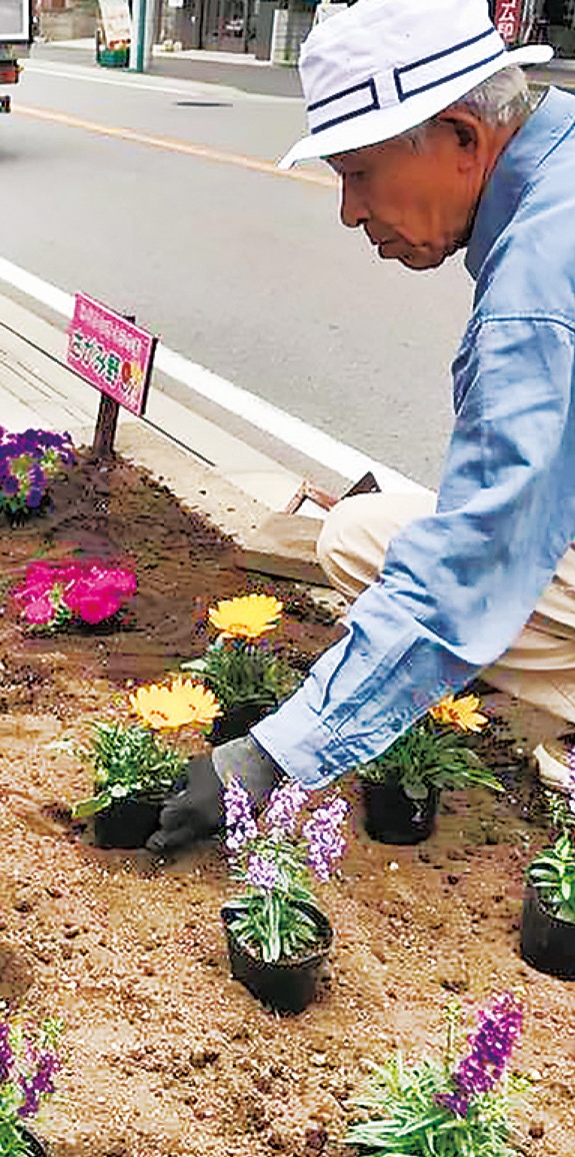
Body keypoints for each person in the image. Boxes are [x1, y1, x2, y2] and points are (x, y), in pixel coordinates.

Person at [148, 0, 575, 853]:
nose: (349, 211)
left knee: (459, 582)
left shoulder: (536, 289)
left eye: (360, 172)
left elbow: (474, 563)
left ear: (459, 134)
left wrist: (271, 755)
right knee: (359, 537)